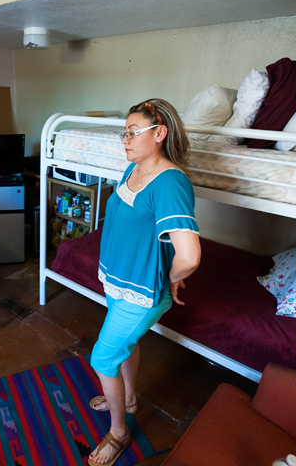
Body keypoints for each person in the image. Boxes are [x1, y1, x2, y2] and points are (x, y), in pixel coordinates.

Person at [88, 99, 201, 466]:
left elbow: (190, 256)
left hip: (140, 294)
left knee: (103, 359)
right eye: (125, 132)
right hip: (119, 282)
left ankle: (119, 432)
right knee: (126, 345)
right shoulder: (133, 168)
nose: (125, 139)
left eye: (132, 132)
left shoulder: (170, 183)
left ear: (159, 133)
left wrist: (171, 279)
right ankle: (130, 397)